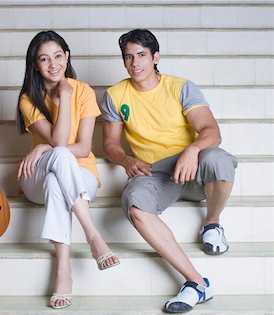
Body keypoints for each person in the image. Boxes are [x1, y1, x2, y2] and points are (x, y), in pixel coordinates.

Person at [100, 29, 238, 313]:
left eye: (141, 55)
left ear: (155, 57)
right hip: (156, 175)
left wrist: (191, 150)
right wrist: (126, 161)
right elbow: (110, 144)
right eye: (129, 57)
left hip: (192, 168)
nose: (135, 63)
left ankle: (212, 224)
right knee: (135, 205)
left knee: (218, 159)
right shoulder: (115, 95)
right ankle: (197, 283)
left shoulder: (181, 87)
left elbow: (212, 132)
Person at [16, 30, 120, 309]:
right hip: (34, 178)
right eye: (44, 59)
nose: (53, 65)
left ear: (67, 56)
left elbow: (84, 148)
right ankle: (92, 235)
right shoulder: (29, 99)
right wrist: (62, 98)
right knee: (57, 160)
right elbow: (61, 142)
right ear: (35, 65)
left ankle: (63, 271)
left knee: (55, 180)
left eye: (58, 56)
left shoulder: (83, 90)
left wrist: (43, 147)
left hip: (80, 175)